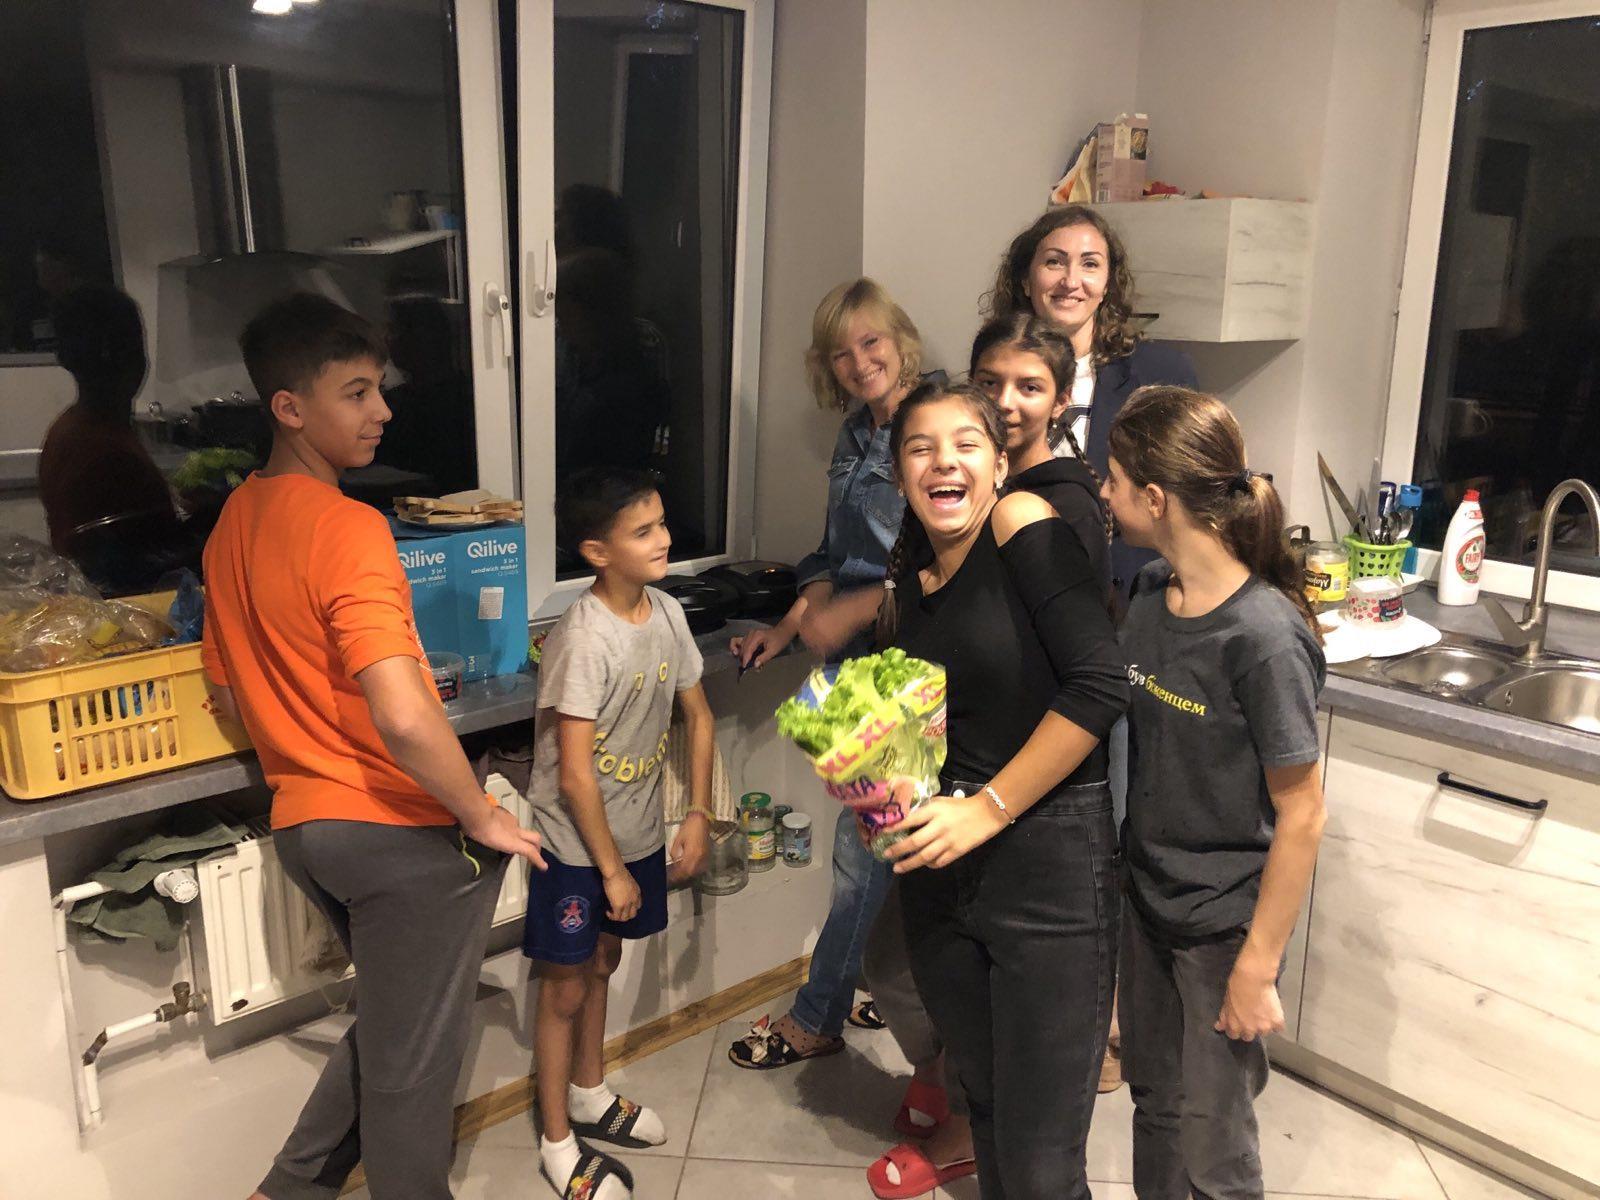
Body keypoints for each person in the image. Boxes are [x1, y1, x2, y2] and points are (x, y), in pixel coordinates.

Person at [202, 294, 547, 1200]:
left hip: (305, 828)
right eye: (355, 393)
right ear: (289, 407)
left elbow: (228, 696)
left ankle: (285, 1191)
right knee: (412, 1073)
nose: (382, 411)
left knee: (394, 1034)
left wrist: (305, 729)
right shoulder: (348, 527)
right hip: (395, 833)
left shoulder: (235, 521)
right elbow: (401, 713)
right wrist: (481, 815)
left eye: (379, 389)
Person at [875, 381, 1129, 1199]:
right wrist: (880, 788)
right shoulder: (912, 581)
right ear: (899, 474)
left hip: (1048, 866)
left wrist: (987, 807)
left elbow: (1100, 683)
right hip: (943, 875)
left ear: (997, 464)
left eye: (965, 444)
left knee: (1042, 1163)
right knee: (985, 1112)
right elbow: (932, 730)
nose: (943, 461)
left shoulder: (1020, 522)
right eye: (920, 448)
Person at [1101, 386, 1327, 1199]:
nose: (1103, 493)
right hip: (1149, 902)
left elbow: (1303, 813)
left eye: (1113, 480)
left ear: (1154, 498)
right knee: (1156, 1103)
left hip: (1224, 929)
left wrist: (1257, 968)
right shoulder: (1149, 596)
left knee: (1216, 1142)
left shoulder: (1262, 637)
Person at [727, 278, 929, 1073]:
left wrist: (852, 609)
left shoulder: (932, 425)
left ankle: (817, 1017)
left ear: (900, 339)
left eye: (870, 342)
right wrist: (787, 627)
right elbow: (832, 556)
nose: (859, 361)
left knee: (862, 854)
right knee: (886, 849)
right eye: (841, 352)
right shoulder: (855, 433)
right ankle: (877, 982)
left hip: (903, 665)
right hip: (853, 668)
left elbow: (939, 564)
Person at [526, 467, 715, 1200]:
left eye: (662, 522)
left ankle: (590, 1092)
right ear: (598, 552)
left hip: (635, 831)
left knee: (604, 959)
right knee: (564, 988)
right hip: (577, 846)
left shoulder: (665, 611)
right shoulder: (583, 638)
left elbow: (698, 716)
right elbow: (575, 777)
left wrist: (695, 813)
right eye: (643, 531)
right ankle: (556, 1141)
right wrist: (608, 870)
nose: (663, 538)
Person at [985, 204, 1198, 602]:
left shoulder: (1162, 375)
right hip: (1014, 591)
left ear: (1107, 285)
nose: (1071, 281)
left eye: (1089, 264)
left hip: (1132, 601)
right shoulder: (993, 376)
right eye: (1054, 261)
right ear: (1026, 280)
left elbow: (1192, 504)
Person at [38, 286, 185, 585]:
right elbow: (149, 564)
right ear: (117, 355)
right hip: (126, 601)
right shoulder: (105, 452)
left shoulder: (72, 427)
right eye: (136, 345)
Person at [970, 312, 1112, 598]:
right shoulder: (960, 485)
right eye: (989, 383)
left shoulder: (1071, 508)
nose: (1004, 402)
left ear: (1061, 401)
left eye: (1030, 388)